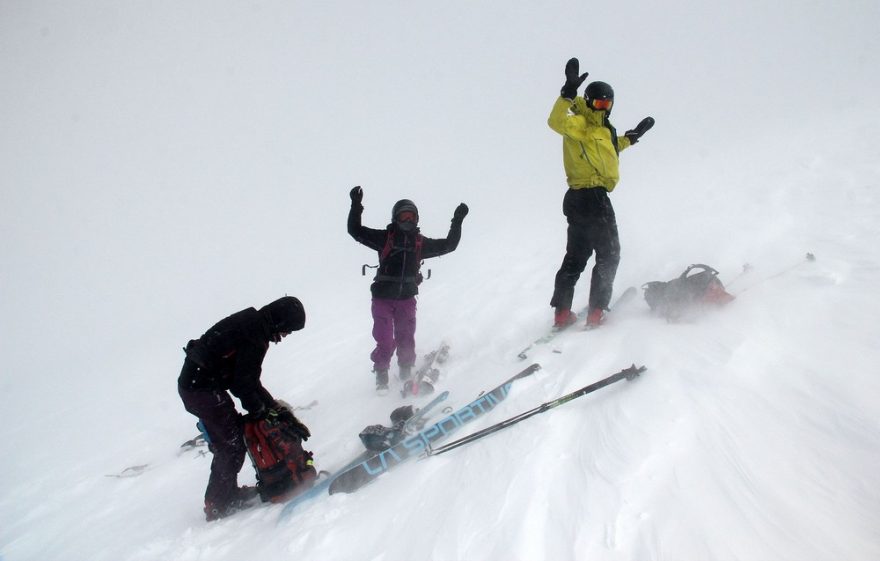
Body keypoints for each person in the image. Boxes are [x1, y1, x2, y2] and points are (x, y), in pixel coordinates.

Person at [177, 296, 312, 521]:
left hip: (200, 385)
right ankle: (218, 504)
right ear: (279, 322)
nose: (284, 337)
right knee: (230, 445)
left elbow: (246, 381)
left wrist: (277, 411)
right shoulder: (255, 335)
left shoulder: (253, 323)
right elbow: (243, 384)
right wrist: (265, 412)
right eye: (287, 331)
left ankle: (226, 493)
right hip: (201, 390)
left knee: (232, 440)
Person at [547, 57, 654, 328]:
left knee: (576, 256)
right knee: (609, 254)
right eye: (598, 103)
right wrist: (567, 92)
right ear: (589, 101)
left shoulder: (604, 130)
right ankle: (596, 311)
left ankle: (562, 312)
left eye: (607, 104)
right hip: (592, 198)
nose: (602, 108)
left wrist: (631, 138)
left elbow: (607, 150)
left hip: (577, 200)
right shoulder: (578, 124)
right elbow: (555, 121)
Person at [348, 186, 468, 392]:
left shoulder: (420, 243)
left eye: (411, 217)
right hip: (382, 298)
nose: (407, 221)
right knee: (385, 339)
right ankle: (382, 374)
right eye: (403, 216)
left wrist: (457, 221)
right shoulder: (385, 238)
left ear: (417, 219)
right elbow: (355, 231)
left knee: (406, 337)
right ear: (395, 218)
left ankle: (405, 370)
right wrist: (356, 205)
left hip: (406, 298)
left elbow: (449, 245)